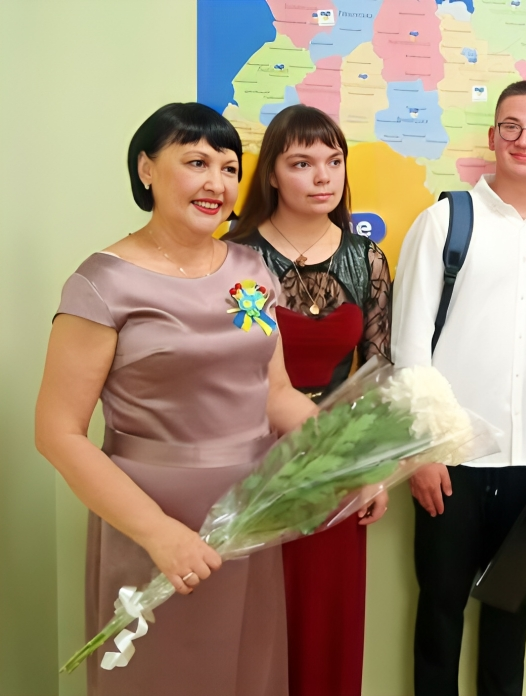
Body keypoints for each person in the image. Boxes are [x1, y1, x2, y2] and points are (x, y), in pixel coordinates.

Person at [35, 102, 320, 696]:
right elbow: (57, 433)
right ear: (146, 169)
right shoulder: (102, 283)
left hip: (247, 513)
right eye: (196, 163)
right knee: (160, 674)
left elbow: (276, 393)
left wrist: (350, 457)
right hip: (150, 518)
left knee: (245, 668)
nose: (216, 183)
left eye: (228, 167)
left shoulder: (250, 269)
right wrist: (159, 533)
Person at [392, 81, 526, 696]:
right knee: (440, 610)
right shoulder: (444, 221)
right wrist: (422, 450)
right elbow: (409, 347)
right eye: (511, 125)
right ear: (493, 136)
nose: (524, 140)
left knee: (511, 610)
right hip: (450, 459)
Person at [224, 104, 391, 696]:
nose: (323, 176)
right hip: (250, 460)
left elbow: (377, 371)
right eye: (302, 163)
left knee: (325, 622)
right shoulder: (236, 259)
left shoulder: (367, 259)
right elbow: (236, 365)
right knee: (254, 624)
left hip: (334, 466)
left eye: (333, 161)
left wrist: (372, 470)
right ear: (271, 173)